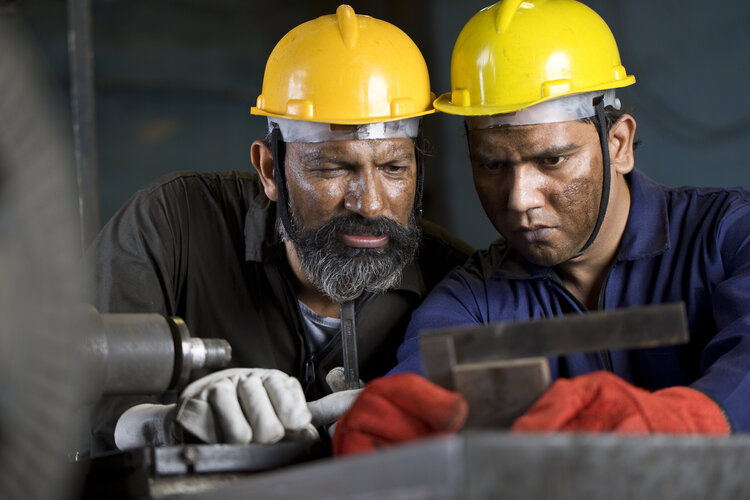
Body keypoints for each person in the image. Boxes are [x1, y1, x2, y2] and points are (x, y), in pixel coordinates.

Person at [333, 0, 748, 454]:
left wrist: (689, 419)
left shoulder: (730, 236)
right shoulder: (473, 304)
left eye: (551, 160)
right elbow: (420, 405)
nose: (519, 199)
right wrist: (394, 436)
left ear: (618, 144)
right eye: (491, 164)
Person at [86, 5, 471, 451]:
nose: (369, 203)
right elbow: (67, 395)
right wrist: (165, 425)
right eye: (332, 168)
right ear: (270, 170)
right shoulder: (171, 226)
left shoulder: (454, 282)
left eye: (394, 168)